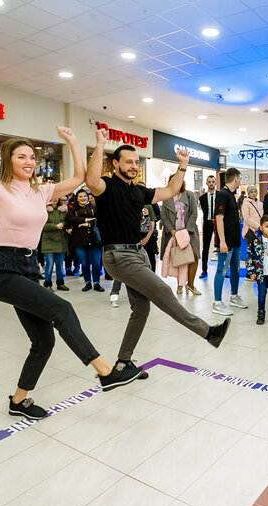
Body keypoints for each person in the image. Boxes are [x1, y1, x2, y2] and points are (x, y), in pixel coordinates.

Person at [0, 95, 143, 419]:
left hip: (29, 269)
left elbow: (77, 178)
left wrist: (74, 141)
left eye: (32, 157)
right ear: (9, 161)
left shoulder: (41, 190)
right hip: (2, 268)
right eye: (22, 157)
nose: (29, 162)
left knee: (44, 340)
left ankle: (18, 401)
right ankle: (105, 371)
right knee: (63, 308)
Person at [87, 134, 231, 378]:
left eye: (135, 162)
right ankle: (209, 333)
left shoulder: (138, 191)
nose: (133, 166)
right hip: (118, 255)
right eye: (127, 162)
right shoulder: (106, 187)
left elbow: (172, 188)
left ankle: (123, 362)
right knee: (163, 292)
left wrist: (183, 165)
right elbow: (90, 181)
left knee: (141, 309)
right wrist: (100, 145)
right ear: (115, 164)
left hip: (138, 252)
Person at [212, 168, 248, 315]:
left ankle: (234, 296)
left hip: (235, 241)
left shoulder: (232, 195)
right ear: (235, 179)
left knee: (235, 269)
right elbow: (219, 219)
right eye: (239, 178)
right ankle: (217, 302)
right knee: (221, 270)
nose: (240, 181)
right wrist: (222, 242)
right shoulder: (222, 194)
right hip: (226, 242)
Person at [160, 180, 201, 295]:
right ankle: (180, 284)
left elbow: (194, 213)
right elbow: (163, 215)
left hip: (189, 232)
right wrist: (172, 231)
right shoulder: (166, 196)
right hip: (172, 234)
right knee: (178, 258)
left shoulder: (189, 195)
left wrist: (186, 231)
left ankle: (191, 285)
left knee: (194, 256)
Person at [67, 189, 104, 292]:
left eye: (85, 196)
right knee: (85, 263)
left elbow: (98, 220)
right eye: (80, 196)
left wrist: (87, 224)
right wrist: (86, 219)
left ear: (88, 197)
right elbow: (71, 219)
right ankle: (88, 282)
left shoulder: (94, 208)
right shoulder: (72, 209)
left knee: (96, 263)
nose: (83, 198)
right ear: (77, 199)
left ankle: (96, 283)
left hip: (94, 240)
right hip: (79, 240)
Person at [41, 197, 70, 291]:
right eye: (52, 198)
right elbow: (42, 225)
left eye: (56, 198)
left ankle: (60, 283)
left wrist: (63, 224)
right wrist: (55, 226)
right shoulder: (43, 210)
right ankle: (47, 284)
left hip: (61, 241)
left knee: (60, 264)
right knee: (49, 264)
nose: (54, 200)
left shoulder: (63, 210)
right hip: (48, 241)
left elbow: (68, 222)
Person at [198, 175, 217, 279]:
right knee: (205, 248)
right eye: (209, 182)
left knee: (220, 247)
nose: (211, 184)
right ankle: (204, 270)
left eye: (213, 182)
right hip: (207, 223)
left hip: (218, 224)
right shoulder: (202, 198)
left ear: (215, 183)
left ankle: (222, 270)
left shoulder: (220, 196)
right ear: (206, 183)